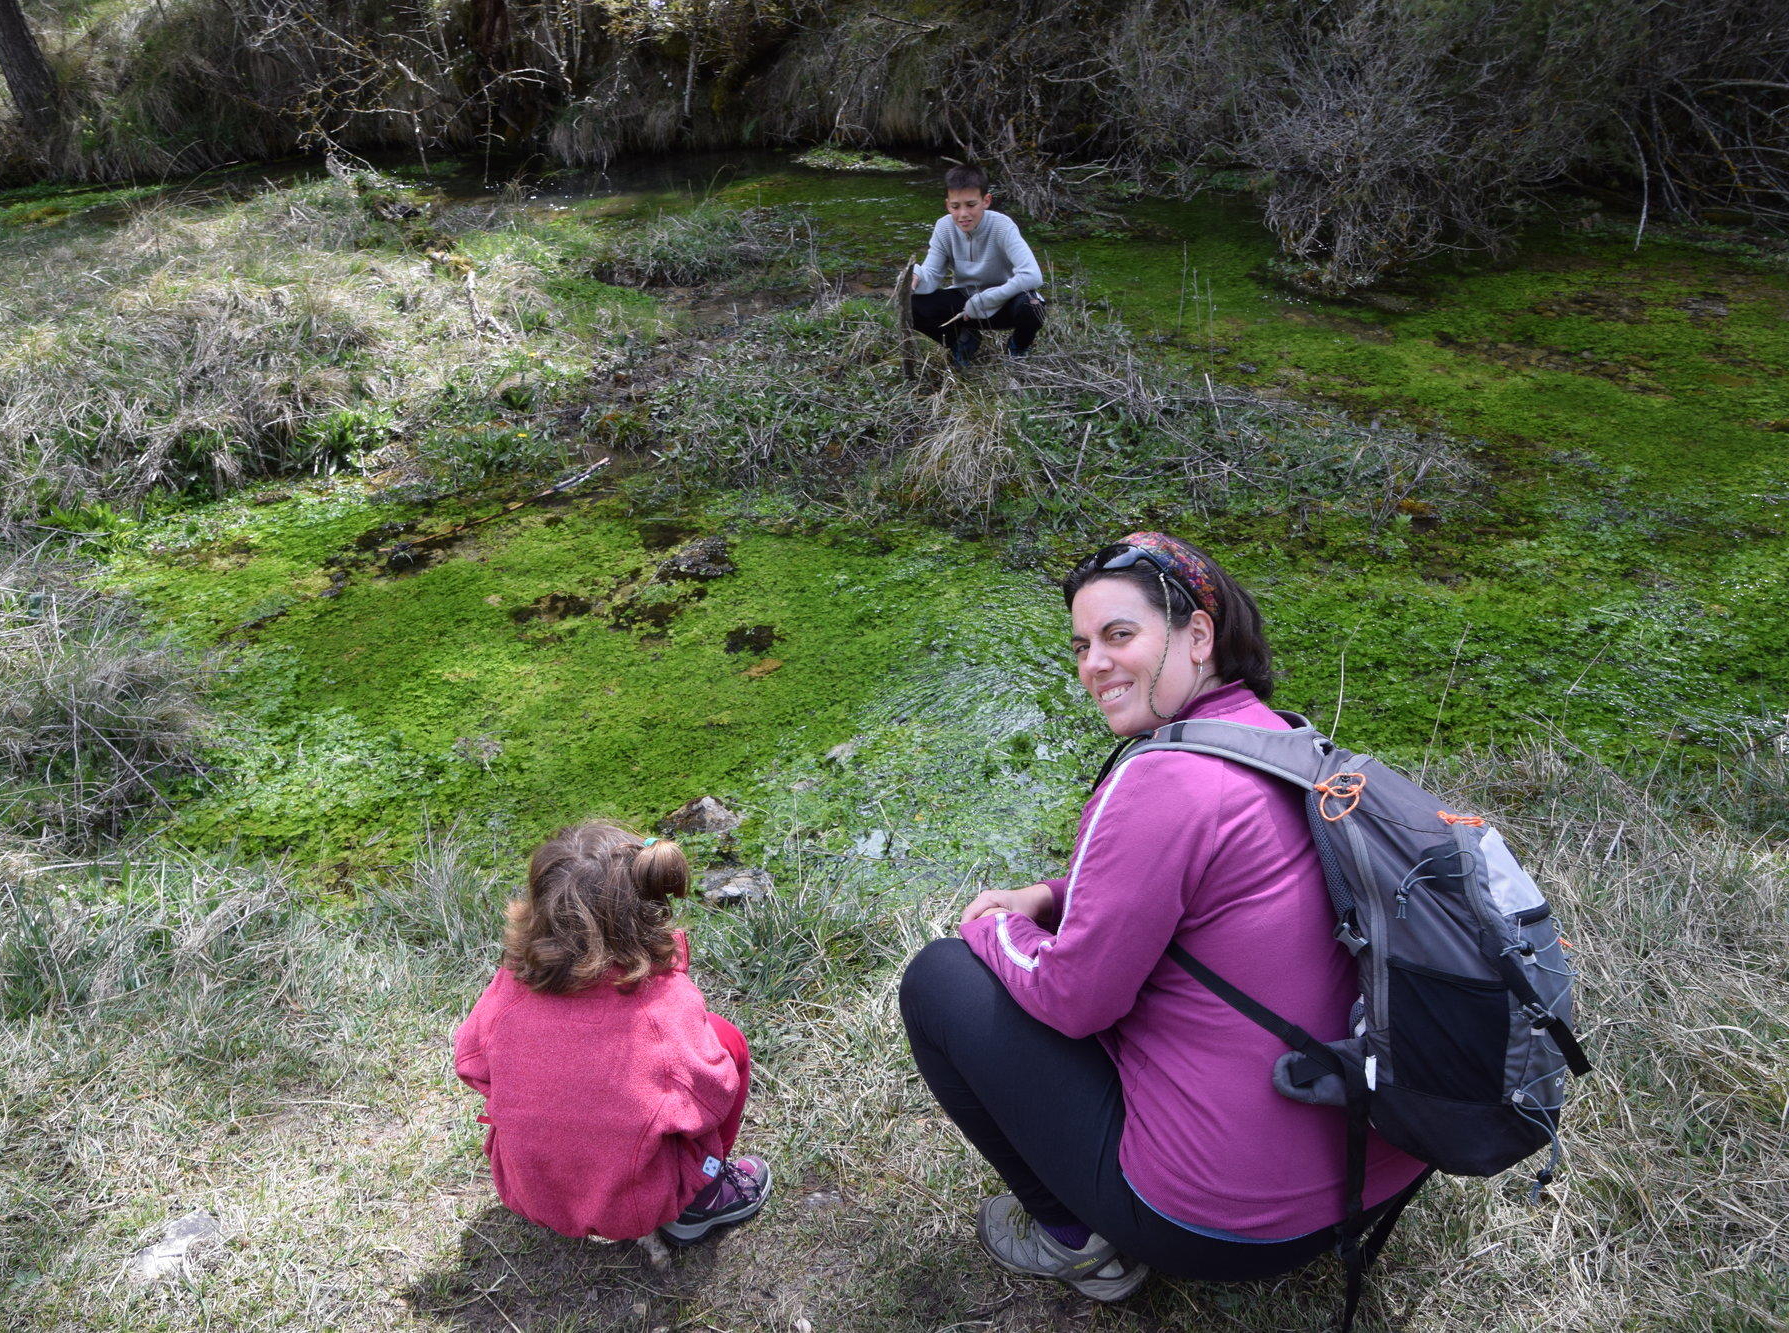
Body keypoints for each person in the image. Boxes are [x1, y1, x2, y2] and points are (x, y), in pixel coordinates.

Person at [899, 532, 1428, 1302]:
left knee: (939, 980)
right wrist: (1049, 895)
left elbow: (1075, 1000)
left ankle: (1074, 1242)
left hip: (1224, 1220)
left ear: (1198, 635)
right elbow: (1194, 880)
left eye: (1119, 634)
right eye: (1081, 646)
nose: (1094, 664)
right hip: (1379, 1169)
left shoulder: (1162, 781)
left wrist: (993, 925)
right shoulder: (1286, 740)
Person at [453, 820, 771, 1244]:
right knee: (728, 1041)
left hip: (529, 1190)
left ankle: (566, 1186)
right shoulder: (663, 1005)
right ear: (648, 907)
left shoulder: (510, 984)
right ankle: (704, 1196)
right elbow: (712, 1096)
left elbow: (471, 1062)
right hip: (634, 1205)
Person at [911, 164, 1045, 366]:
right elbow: (931, 275)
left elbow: (1032, 275)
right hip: (965, 307)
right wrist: (915, 277)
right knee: (912, 305)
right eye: (955, 207)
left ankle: (1017, 348)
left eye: (971, 205)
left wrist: (986, 299)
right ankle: (963, 342)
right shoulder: (943, 227)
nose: (963, 214)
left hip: (1004, 302)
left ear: (986, 201)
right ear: (947, 205)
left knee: (1033, 306)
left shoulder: (1002, 226)